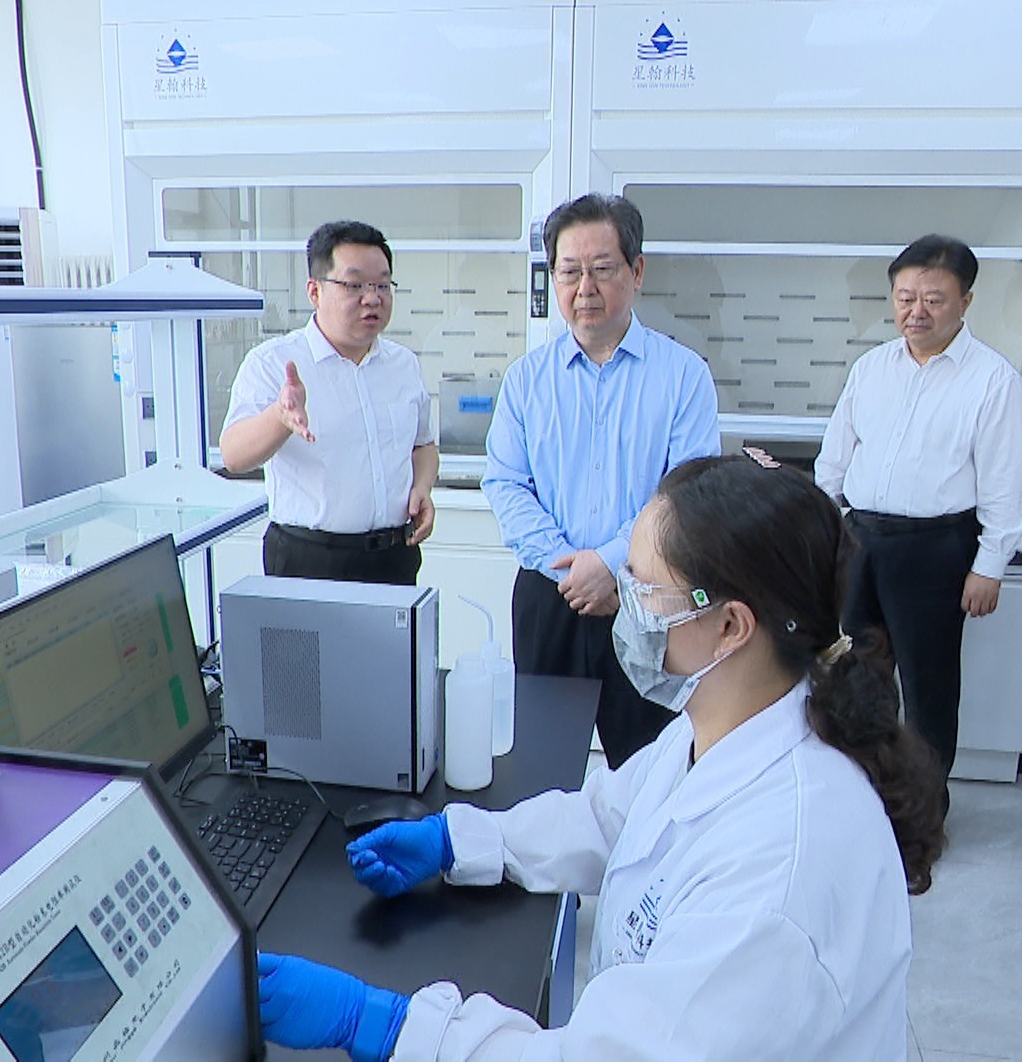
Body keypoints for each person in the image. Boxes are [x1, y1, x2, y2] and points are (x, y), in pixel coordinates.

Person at [255, 451, 947, 1060]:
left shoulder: (778, 876)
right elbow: (609, 816)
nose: (624, 604)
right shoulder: (724, 724)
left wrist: (387, 1026)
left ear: (730, 625)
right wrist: (461, 839)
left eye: (642, 587)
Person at [483, 193, 720, 768]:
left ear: (636, 272)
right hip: (549, 594)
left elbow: (685, 493)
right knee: (540, 766)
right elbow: (506, 484)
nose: (584, 288)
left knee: (651, 768)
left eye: (602, 269)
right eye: (569, 272)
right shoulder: (526, 380)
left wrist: (612, 563)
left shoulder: (683, 376)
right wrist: (572, 570)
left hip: (646, 596)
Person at [813, 234, 1022, 786]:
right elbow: (835, 459)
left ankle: (925, 807)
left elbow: (1007, 485)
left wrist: (989, 566)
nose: (916, 311)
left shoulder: (993, 380)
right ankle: (858, 793)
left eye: (933, 299)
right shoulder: (872, 368)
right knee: (854, 675)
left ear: (966, 301)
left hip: (936, 548)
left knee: (927, 685)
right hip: (860, 541)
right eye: (905, 298)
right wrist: (826, 530)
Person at [220, 220, 437, 585]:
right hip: (308, 559)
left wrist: (423, 487)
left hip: (394, 557)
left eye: (383, 285)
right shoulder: (273, 362)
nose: (373, 298)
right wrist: (280, 417)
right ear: (315, 291)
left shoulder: (403, 365)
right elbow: (233, 456)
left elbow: (423, 445)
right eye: (354, 285)